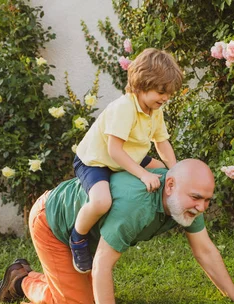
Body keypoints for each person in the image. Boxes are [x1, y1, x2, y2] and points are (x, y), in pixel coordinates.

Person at [0, 159, 234, 304]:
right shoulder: (135, 207)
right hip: (52, 220)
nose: (202, 206)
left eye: (207, 200)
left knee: (83, 291)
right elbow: (102, 264)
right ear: (169, 185)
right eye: (196, 197)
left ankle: (56, 283)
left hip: (88, 231)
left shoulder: (185, 205)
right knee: (76, 303)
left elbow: (205, 250)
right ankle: (21, 279)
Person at [70, 48, 183, 273]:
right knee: (102, 201)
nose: (166, 98)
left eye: (169, 93)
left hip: (130, 155)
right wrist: (142, 174)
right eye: (162, 91)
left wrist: (176, 170)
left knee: (162, 169)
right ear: (142, 84)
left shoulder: (154, 110)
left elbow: (161, 143)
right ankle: (78, 238)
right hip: (98, 161)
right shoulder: (125, 108)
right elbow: (114, 151)